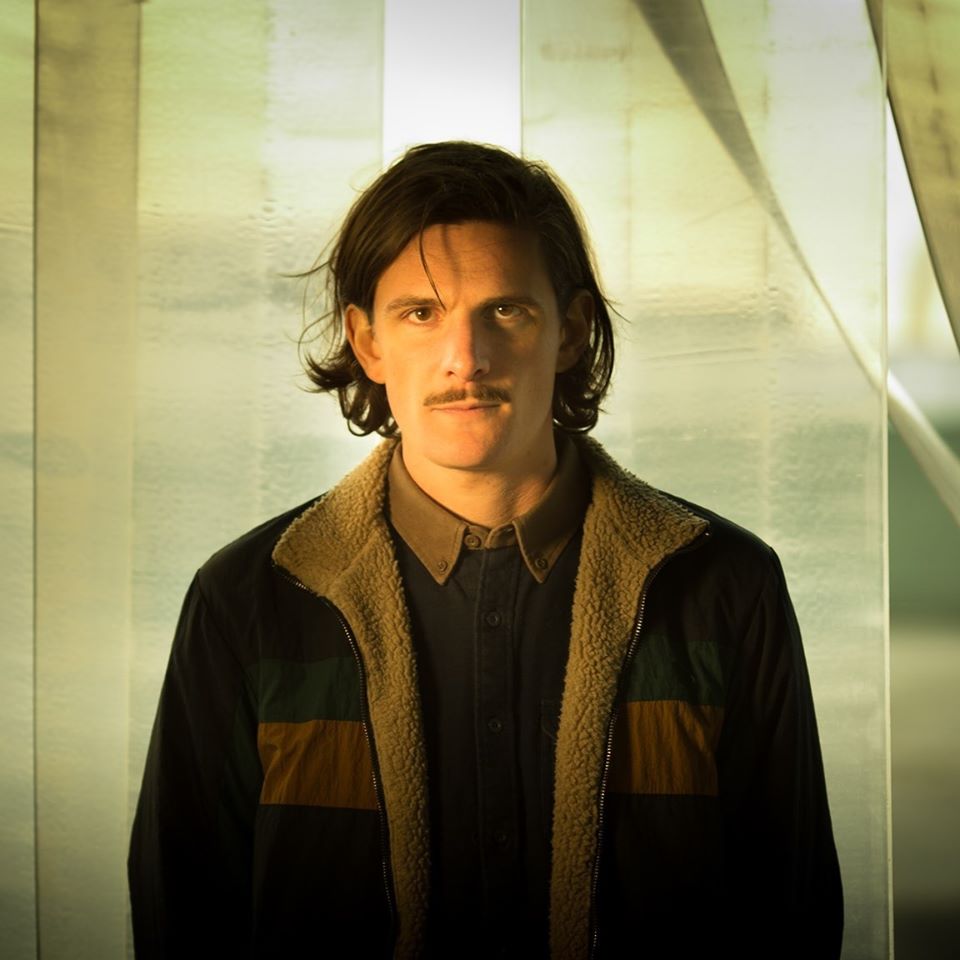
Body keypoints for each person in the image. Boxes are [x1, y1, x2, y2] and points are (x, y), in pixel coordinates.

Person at [128, 141, 842, 958]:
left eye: (505, 311)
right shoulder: (247, 598)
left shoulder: (726, 587)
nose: (465, 359)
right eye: (420, 314)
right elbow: (184, 915)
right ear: (367, 342)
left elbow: (790, 914)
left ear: (571, 331)